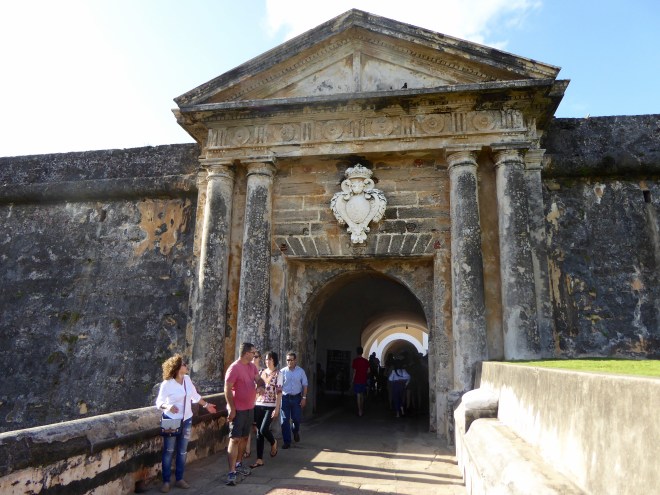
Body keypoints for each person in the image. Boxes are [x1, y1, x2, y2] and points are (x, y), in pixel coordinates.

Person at [155, 354, 217, 493]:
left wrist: (206, 405)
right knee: (169, 451)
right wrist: (168, 407)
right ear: (177, 368)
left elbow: (195, 396)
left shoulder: (187, 379)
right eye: (184, 364)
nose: (186, 366)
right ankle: (166, 481)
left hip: (186, 419)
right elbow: (158, 403)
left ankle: (179, 479)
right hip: (171, 419)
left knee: (182, 451)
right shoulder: (167, 384)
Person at [224, 343, 265, 486]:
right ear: (246, 353)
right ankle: (231, 471)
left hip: (249, 408)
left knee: (244, 438)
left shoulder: (252, 366)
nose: (255, 355)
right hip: (238, 409)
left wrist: (260, 386)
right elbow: (227, 389)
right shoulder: (234, 368)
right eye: (253, 352)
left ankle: (239, 464)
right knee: (234, 439)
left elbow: (259, 379)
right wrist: (231, 408)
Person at [250, 351, 282, 468]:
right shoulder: (261, 372)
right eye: (266, 359)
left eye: (270, 359)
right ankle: (259, 459)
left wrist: (277, 409)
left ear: (274, 360)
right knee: (259, 432)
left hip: (270, 405)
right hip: (258, 404)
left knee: (263, 429)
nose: (267, 361)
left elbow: (279, 393)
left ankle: (273, 442)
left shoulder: (279, 374)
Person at [280, 352, 308, 449]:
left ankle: (295, 431)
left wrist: (304, 398)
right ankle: (287, 441)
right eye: (288, 360)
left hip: (296, 398)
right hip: (285, 398)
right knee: (284, 420)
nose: (289, 362)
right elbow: (279, 387)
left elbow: (305, 385)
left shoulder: (301, 371)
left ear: (295, 360)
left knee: (296, 419)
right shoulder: (282, 372)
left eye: (291, 360)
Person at [243, 350, 262, 460]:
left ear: (260, 358)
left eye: (256, 357)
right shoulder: (247, 370)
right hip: (249, 402)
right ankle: (248, 449)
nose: (254, 358)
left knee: (257, 428)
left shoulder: (262, 372)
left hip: (259, 403)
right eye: (253, 356)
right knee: (248, 427)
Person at [351, 346, 370, 417]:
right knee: (362, 395)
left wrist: (352, 380)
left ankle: (359, 411)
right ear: (362, 352)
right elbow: (368, 371)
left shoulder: (355, 361)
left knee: (358, 395)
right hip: (363, 380)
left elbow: (354, 372)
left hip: (357, 380)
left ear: (357, 352)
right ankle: (361, 408)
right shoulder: (366, 361)